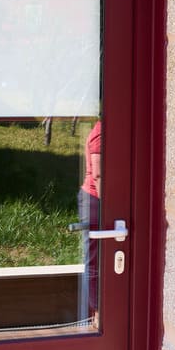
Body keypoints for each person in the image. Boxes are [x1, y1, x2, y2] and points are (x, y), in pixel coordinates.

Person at [78, 119, 101, 321]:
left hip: (98, 199)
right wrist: (110, 208)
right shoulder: (101, 131)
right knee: (93, 261)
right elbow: (98, 174)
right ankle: (95, 313)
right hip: (95, 200)